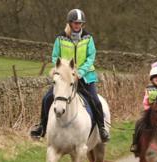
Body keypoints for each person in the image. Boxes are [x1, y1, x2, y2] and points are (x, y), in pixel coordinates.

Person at [30, 9, 109, 142]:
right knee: (47, 98)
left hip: (85, 77)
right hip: (65, 79)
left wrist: (80, 72)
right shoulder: (60, 38)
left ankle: (102, 129)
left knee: (95, 101)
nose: (77, 25)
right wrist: (64, 71)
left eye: (80, 23)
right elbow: (55, 56)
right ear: (70, 23)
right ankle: (42, 127)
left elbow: (91, 57)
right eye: (75, 23)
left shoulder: (88, 38)